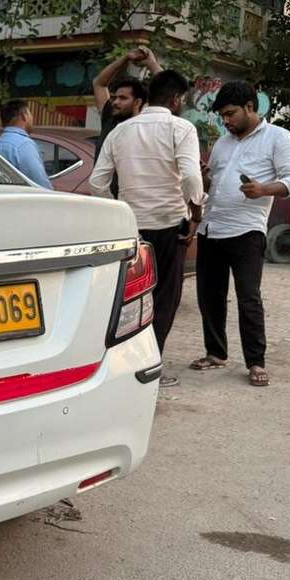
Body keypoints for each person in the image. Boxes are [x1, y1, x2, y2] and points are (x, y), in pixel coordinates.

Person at [90, 70, 205, 387]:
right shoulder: (181, 128)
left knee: (127, 298)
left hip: (130, 228)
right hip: (170, 226)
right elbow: (193, 179)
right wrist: (196, 212)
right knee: (165, 299)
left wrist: (118, 211)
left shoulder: (120, 132)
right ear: (176, 99)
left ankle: (119, 367)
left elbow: (97, 183)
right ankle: (151, 366)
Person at [190, 81, 290, 387]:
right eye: (222, 116)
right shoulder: (224, 143)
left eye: (230, 114)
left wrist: (264, 189)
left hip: (246, 230)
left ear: (250, 108)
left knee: (248, 298)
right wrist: (204, 180)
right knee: (209, 296)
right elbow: (212, 184)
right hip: (211, 228)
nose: (225, 121)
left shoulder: (278, 138)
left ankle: (255, 362)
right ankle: (215, 353)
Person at [92, 46, 163, 160]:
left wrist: (152, 64)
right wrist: (125, 58)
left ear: (138, 102)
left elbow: (166, 89)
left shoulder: (147, 126)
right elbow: (99, 84)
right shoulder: (110, 118)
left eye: (123, 98)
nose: (115, 102)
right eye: (115, 97)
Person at [0, 100, 52, 189]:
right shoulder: (23, 145)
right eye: (30, 114)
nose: (32, 118)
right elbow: (40, 184)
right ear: (24, 116)